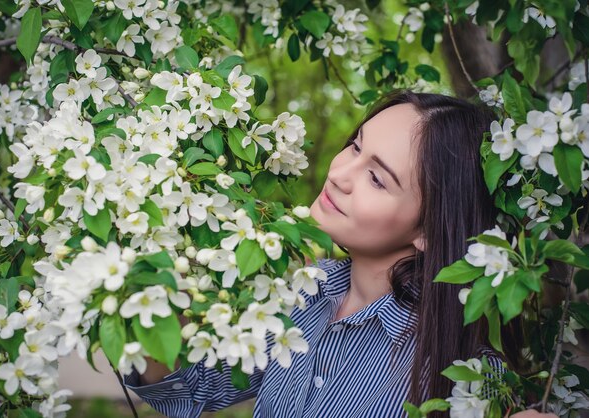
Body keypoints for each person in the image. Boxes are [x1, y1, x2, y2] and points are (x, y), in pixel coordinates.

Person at [122, 90, 557, 418]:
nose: (340, 174)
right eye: (354, 146)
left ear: (428, 229)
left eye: (377, 179)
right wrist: (157, 286)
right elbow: (190, 389)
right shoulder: (303, 295)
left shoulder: (468, 379)